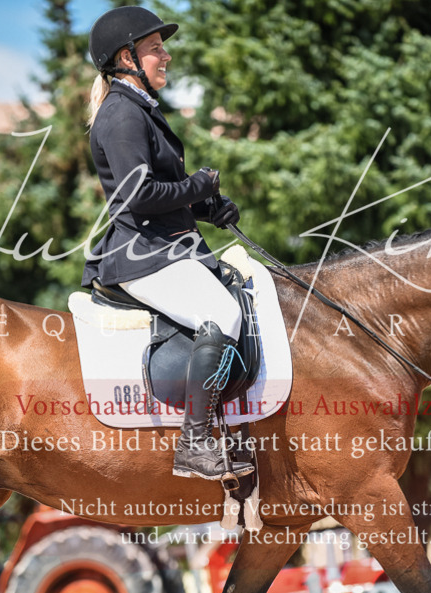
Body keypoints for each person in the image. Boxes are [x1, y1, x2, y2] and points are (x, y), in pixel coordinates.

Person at [82, 6, 253, 482]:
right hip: (141, 255)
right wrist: (198, 186)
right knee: (223, 316)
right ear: (127, 57)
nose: (166, 56)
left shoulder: (139, 110)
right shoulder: (120, 114)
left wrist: (207, 210)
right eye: (156, 48)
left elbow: (158, 197)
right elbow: (137, 197)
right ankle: (195, 443)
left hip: (165, 243)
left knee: (241, 302)